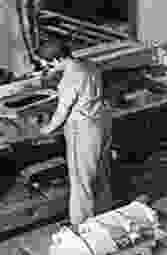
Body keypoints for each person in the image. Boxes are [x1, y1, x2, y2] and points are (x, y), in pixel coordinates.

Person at [38, 39, 113, 226]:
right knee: (101, 172)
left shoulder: (71, 77)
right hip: (101, 121)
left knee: (81, 179)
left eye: (46, 65)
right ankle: (105, 216)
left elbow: (62, 111)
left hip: (83, 129)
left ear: (56, 60)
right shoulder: (89, 65)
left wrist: (47, 130)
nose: (46, 68)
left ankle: (81, 225)